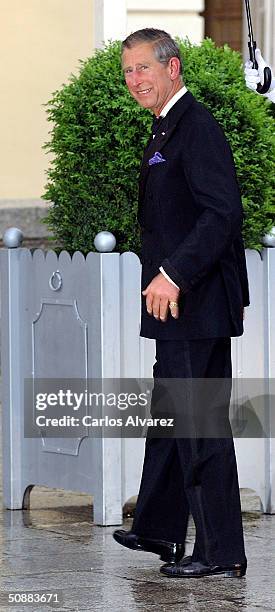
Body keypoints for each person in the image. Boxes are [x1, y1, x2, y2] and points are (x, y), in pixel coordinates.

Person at [113, 28, 249, 578]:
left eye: (143, 68)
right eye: (128, 71)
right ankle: (159, 529)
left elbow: (221, 214)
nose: (134, 80)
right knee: (172, 419)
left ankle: (221, 552)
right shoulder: (166, 127)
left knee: (199, 424)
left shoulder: (197, 127)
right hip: (174, 307)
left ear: (173, 68)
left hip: (196, 303)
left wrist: (172, 274)